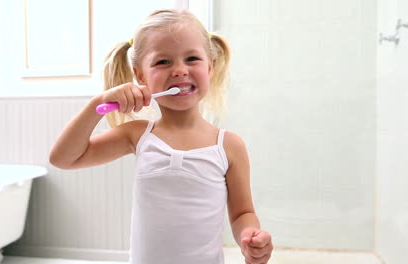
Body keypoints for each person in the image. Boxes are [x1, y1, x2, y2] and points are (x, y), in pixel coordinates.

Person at [49, 9, 273, 264]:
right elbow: (63, 159)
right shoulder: (138, 135)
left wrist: (250, 235)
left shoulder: (229, 145)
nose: (179, 70)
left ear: (210, 68)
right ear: (141, 76)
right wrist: (98, 104)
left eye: (192, 58)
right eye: (163, 62)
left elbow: (243, 212)